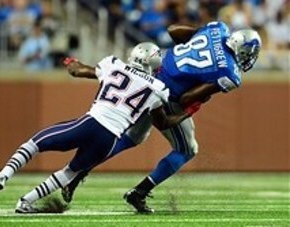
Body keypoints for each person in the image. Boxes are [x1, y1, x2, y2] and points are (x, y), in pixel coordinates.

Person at [61, 21, 262, 213]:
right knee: (187, 150)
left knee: (131, 137)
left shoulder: (217, 29)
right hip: (166, 94)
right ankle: (140, 192)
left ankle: (78, 173)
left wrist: (198, 38)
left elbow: (173, 30)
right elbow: (186, 98)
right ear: (243, 50)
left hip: (151, 75)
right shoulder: (230, 72)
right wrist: (192, 107)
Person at [0, 42, 198, 213]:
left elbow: (78, 71)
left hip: (89, 123)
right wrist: (186, 113)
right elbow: (163, 123)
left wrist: (70, 62)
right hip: (109, 139)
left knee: (35, 143)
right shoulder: (157, 88)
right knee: (71, 171)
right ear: (155, 64)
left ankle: (2, 177)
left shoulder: (113, 65)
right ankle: (26, 202)